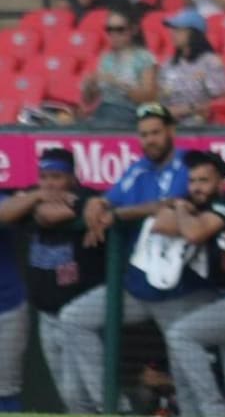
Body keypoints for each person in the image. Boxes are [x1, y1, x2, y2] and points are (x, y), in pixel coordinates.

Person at [61, 103, 212, 415]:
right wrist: (96, 204)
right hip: (136, 287)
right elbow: (111, 199)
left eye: (155, 132)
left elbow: (173, 203)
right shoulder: (138, 168)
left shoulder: (188, 164)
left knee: (184, 367)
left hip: (176, 291)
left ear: (170, 131)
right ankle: (111, 408)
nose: (150, 140)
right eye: (144, 134)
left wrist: (118, 214)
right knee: (74, 318)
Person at [153, 150, 225, 417]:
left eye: (204, 180)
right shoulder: (192, 205)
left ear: (221, 182)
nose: (197, 187)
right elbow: (160, 224)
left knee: (180, 335)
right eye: (192, 180)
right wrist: (184, 211)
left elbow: (195, 233)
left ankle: (214, 411)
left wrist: (183, 212)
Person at [0, 149, 103, 410]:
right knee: (69, 394)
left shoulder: (87, 195)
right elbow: (7, 213)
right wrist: (37, 197)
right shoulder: (33, 194)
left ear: (72, 178)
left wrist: (74, 206)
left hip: (82, 314)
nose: (49, 184)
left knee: (94, 390)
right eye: (44, 177)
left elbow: (53, 215)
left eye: (57, 177)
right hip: (47, 314)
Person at [81, 7, 159, 126]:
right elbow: (89, 100)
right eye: (109, 29)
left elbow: (149, 97)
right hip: (104, 111)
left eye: (120, 30)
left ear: (133, 30)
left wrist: (117, 83)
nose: (114, 34)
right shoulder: (106, 58)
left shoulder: (144, 58)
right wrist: (89, 86)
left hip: (129, 113)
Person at [158, 10, 225, 125]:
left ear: (194, 33)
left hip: (202, 126)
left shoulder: (210, 62)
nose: (173, 33)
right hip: (169, 124)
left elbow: (221, 99)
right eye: (173, 29)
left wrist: (187, 109)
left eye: (179, 30)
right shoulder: (168, 64)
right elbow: (159, 100)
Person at [0, 193, 27, 414]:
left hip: (7, 306)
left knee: (6, 389)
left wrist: (34, 196)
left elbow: (5, 212)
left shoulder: (5, 199)